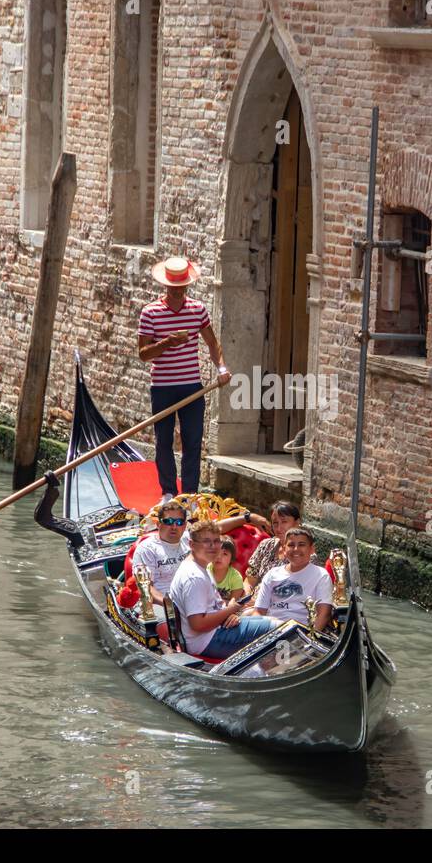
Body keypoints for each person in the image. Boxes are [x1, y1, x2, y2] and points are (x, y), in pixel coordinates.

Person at [137, 256, 231, 501]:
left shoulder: (197, 310)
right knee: (163, 442)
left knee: (192, 442)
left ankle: (189, 494)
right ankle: (168, 491)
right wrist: (167, 342)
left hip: (192, 388)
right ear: (166, 286)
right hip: (162, 388)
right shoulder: (150, 313)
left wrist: (221, 368)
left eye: (182, 287)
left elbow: (212, 343)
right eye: (174, 287)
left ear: (187, 285)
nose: (178, 291)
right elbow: (144, 354)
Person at [166, 520, 277, 660]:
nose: (213, 547)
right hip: (208, 640)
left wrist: (228, 614)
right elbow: (198, 624)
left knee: (272, 621)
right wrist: (231, 609)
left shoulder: (202, 567)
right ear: (191, 544)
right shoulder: (194, 577)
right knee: (277, 628)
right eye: (206, 541)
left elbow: (213, 606)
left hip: (214, 631)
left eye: (216, 541)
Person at [249, 527, 333, 632]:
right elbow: (259, 611)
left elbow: (324, 614)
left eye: (301, 545)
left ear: (312, 549)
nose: (296, 549)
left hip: (300, 634)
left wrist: (309, 640)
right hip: (270, 631)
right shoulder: (272, 574)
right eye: (291, 545)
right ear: (284, 549)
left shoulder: (321, 576)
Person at [243, 501, 303, 594]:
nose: (279, 528)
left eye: (284, 522)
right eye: (275, 523)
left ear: (297, 523)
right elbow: (250, 580)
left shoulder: (304, 554)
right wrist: (246, 598)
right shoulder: (266, 545)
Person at [209, 536, 245, 603]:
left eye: (224, 554)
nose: (219, 557)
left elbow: (233, 603)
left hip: (226, 610)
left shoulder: (236, 578)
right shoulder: (205, 570)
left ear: (231, 558)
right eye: (216, 552)